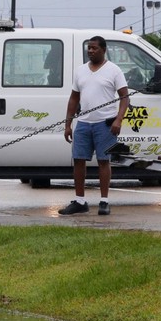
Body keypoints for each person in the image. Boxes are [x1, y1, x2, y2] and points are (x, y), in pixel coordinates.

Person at [58, 36, 129, 216]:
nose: (90, 51)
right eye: (89, 48)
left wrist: (118, 120)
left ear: (103, 50)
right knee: (79, 160)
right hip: (83, 123)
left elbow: (124, 97)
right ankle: (80, 201)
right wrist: (68, 124)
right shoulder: (80, 71)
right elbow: (74, 98)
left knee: (104, 161)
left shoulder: (114, 70)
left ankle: (104, 201)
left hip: (105, 124)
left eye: (94, 48)